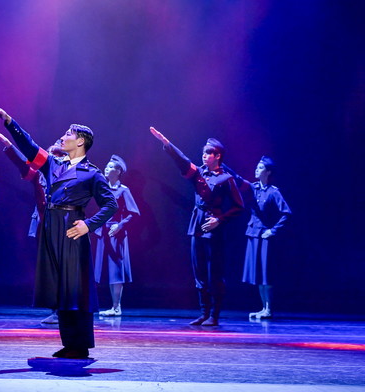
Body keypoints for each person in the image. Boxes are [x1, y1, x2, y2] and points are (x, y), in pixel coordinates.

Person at [0, 101, 117, 359]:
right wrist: (10, 123)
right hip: (51, 227)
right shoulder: (54, 165)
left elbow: (110, 204)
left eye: (69, 134)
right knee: (60, 286)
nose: (64, 136)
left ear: (80, 141)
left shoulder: (92, 174)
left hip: (72, 229)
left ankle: (81, 344)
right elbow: (29, 146)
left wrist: (88, 224)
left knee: (75, 287)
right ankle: (69, 343)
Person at [149, 127, 244, 326]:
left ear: (217, 156)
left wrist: (220, 220)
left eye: (208, 153)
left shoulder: (226, 179)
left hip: (213, 227)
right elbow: (183, 161)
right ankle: (204, 312)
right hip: (197, 226)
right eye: (203, 152)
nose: (204, 155)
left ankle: (214, 315)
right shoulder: (199, 173)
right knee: (199, 272)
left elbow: (238, 207)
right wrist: (166, 143)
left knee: (214, 273)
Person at [0, 129, 65, 324]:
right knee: (49, 268)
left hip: (62, 226)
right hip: (44, 225)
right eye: (51, 155)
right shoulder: (39, 175)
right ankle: (56, 309)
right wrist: (9, 146)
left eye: (57, 155)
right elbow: (25, 166)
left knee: (62, 267)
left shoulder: (69, 174)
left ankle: (64, 309)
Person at [226, 157, 292, 319]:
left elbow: (287, 213)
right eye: (257, 167)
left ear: (268, 172)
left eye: (261, 167)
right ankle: (263, 308)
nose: (256, 169)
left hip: (265, 237)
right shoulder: (253, 188)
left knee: (265, 274)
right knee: (258, 274)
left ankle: (268, 309)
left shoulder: (273, 192)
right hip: (253, 234)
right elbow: (238, 179)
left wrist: (273, 230)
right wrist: (222, 166)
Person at [94, 155, 140, 317]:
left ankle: (116, 306)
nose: (106, 169)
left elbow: (134, 213)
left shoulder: (123, 190)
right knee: (106, 270)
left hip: (116, 233)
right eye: (106, 166)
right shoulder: (102, 188)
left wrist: (120, 225)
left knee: (116, 270)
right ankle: (112, 306)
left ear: (118, 171)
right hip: (103, 232)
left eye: (110, 167)